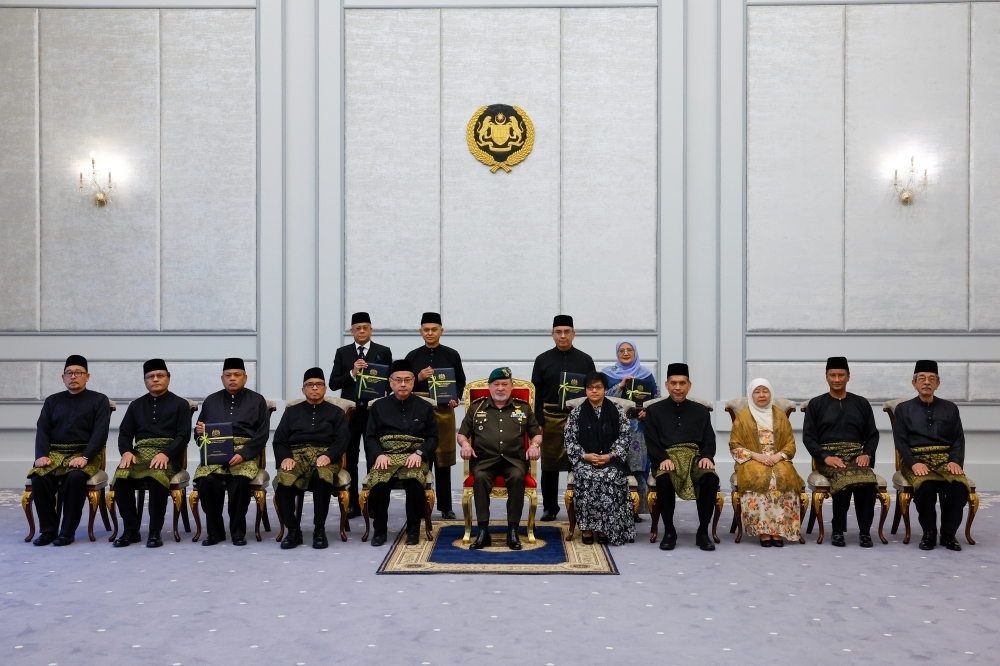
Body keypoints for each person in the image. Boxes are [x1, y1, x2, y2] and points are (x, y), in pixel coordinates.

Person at [28, 355, 111, 546]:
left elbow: (100, 434)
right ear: (63, 377)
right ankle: (48, 531)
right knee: (39, 477)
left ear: (87, 377)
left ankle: (67, 532)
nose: (73, 376)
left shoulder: (99, 400)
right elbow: (42, 430)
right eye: (69, 373)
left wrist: (85, 456)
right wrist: (41, 455)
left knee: (75, 478)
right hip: (55, 453)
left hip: (85, 453)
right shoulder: (52, 401)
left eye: (78, 373)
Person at [458, 367, 542, 550]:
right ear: (490, 387)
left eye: (505, 384)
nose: (500, 388)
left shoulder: (523, 408)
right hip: (484, 460)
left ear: (511, 386)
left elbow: (536, 434)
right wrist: (465, 445)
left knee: (517, 477)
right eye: (496, 384)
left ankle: (513, 531)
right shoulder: (477, 407)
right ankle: (483, 532)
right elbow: (462, 434)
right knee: (480, 478)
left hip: (514, 460)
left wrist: (534, 446)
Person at [112, 359, 192, 548]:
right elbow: (125, 433)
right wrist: (126, 452)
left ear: (168, 378)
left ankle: (155, 531)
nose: (155, 379)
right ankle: (131, 530)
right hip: (140, 453)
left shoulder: (180, 404)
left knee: (157, 475)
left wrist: (166, 453)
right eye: (150, 377)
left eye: (160, 376)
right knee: (121, 477)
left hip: (169, 454)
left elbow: (183, 435)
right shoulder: (136, 405)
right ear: (145, 381)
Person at [891, 360, 969, 551]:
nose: (927, 382)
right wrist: (913, 463)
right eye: (922, 378)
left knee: (959, 487)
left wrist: (955, 461)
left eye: (931, 379)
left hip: (945, 460)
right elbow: (900, 441)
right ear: (914, 383)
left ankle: (948, 535)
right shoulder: (903, 409)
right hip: (916, 460)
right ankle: (929, 533)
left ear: (937, 384)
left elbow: (958, 439)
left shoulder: (950, 408)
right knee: (925, 487)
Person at [802, 357, 879, 548]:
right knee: (843, 479)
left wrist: (867, 454)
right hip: (829, 457)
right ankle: (837, 531)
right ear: (826, 377)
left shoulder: (861, 403)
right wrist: (825, 457)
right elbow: (808, 438)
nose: (837, 379)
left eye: (841, 375)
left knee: (868, 482)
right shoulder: (816, 404)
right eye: (833, 375)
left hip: (856, 455)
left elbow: (872, 434)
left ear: (848, 377)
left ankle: (865, 532)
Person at [193, 358, 272, 546]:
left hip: (244, 454)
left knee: (240, 481)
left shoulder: (257, 400)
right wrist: (199, 432)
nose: (232, 379)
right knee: (206, 480)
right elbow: (199, 435)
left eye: (237, 375)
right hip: (216, 453)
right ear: (222, 378)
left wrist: (244, 454)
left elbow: (262, 434)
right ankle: (215, 532)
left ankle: (238, 532)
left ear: (245, 378)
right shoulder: (211, 400)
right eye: (228, 375)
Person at [642, 363, 719, 551]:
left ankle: (703, 531)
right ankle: (669, 531)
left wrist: (707, 456)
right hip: (666, 457)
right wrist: (662, 459)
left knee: (709, 478)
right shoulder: (654, 410)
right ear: (667, 385)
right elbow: (651, 441)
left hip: (695, 457)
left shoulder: (700, 410)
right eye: (673, 383)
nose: (678, 387)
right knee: (664, 479)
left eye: (682, 383)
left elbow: (709, 438)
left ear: (689, 385)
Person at [272, 368, 351, 550]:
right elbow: (280, 440)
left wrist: (329, 455)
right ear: (303, 390)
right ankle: (293, 530)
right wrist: (285, 457)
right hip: (296, 456)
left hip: (325, 456)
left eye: (319, 384)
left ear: (325, 388)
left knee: (321, 476)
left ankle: (319, 529)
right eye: (310, 385)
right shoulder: (292, 412)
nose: (314, 388)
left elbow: (342, 439)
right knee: (283, 480)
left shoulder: (336, 412)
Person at [364, 360, 438, 547]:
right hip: (386, 455)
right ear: (391, 382)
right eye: (398, 380)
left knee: (414, 482)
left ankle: (413, 530)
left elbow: (433, 438)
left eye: (407, 380)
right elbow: (370, 436)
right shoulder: (379, 406)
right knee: (379, 482)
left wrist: (419, 453)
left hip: (413, 455)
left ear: (413, 382)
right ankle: (379, 531)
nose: (403, 384)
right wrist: (379, 455)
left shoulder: (424, 406)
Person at [530, 314, 596, 521]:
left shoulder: (585, 360)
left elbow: (593, 390)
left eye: (567, 332)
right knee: (549, 466)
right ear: (552, 335)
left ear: (574, 334)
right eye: (558, 332)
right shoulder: (542, 359)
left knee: (578, 463)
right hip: (549, 417)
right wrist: (538, 422)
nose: (563, 336)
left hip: (578, 417)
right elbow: (535, 393)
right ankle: (550, 508)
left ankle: (580, 506)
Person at [329, 312, 392, 519]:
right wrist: (352, 373)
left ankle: (373, 503)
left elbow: (391, 381)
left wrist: (385, 392)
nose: (362, 331)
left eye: (365, 327)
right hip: (351, 413)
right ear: (352, 331)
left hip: (375, 413)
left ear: (371, 330)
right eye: (358, 328)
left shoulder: (383, 351)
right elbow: (333, 383)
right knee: (351, 458)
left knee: (375, 456)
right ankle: (353, 504)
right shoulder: (343, 353)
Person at [729, 378, 804, 546]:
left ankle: (779, 531)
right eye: (757, 392)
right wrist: (756, 456)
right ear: (751, 395)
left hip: (777, 457)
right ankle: (763, 530)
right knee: (761, 478)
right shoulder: (743, 416)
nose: (761, 395)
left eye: (765, 391)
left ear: (771, 394)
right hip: (752, 458)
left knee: (784, 476)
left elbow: (790, 443)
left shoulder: (780, 415)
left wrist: (779, 456)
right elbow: (735, 444)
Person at [406, 312, 466, 520]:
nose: (430, 333)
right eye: (426, 330)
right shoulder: (412, 356)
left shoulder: (452, 354)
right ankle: (420, 506)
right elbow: (403, 382)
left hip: (444, 412)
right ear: (420, 331)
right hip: (419, 414)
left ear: (441, 331)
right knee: (421, 458)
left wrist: (455, 398)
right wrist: (418, 377)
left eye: (434, 329)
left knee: (443, 462)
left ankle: (446, 507)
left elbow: (460, 381)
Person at [563, 372, 635, 546]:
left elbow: (625, 436)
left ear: (605, 389)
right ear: (585, 390)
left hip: (612, 460)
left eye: (598, 387)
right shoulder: (577, 413)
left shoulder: (617, 410)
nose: (594, 391)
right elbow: (569, 440)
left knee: (609, 477)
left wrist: (609, 456)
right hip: (585, 460)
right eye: (590, 388)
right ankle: (587, 528)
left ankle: (605, 528)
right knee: (586, 476)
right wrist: (585, 455)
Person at [604, 339, 659, 519]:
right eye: (621, 350)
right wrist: (620, 385)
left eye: (629, 350)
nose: (625, 353)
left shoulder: (646, 374)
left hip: (638, 429)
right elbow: (599, 397)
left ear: (635, 353)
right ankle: (615, 509)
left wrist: (648, 411)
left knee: (637, 468)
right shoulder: (608, 373)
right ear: (617, 353)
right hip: (613, 427)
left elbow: (656, 399)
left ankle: (635, 510)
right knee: (615, 466)